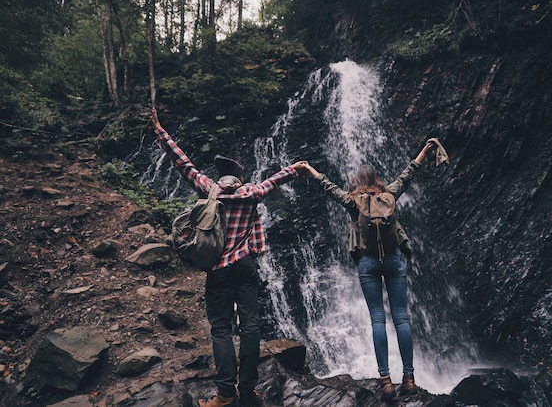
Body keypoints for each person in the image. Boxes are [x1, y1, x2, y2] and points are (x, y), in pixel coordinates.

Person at [149, 108, 307, 407]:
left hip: (218, 268)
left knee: (221, 329)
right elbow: (277, 179)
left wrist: (160, 130)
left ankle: (224, 395)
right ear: (241, 176)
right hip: (246, 266)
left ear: (221, 177)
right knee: (250, 327)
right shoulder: (251, 193)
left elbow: (182, 161)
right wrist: (294, 167)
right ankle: (248, 392)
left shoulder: (209, 189)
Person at [300, 140, 435, 401]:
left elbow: (329, 188)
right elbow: (408, 173)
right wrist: (424, 152)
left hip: (368, 262)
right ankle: (409, 379)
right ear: (377, 180)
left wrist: (309, 169)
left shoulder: (353, 202)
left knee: (377, 319)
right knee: (401, 318)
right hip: (394, 260)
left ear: (356, 182)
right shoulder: (390, 195)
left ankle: (385, 381)